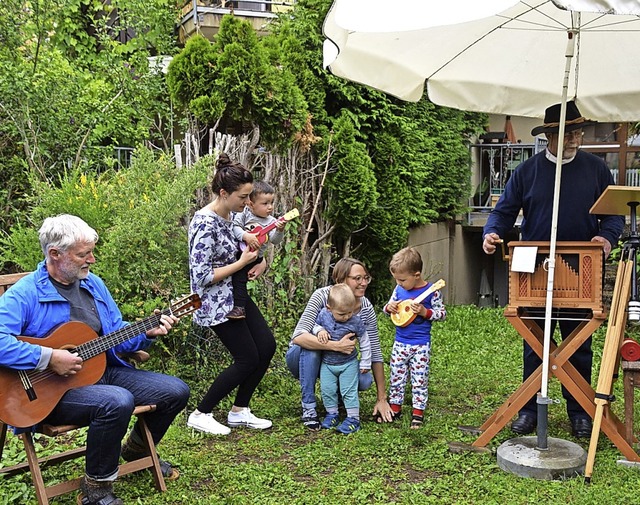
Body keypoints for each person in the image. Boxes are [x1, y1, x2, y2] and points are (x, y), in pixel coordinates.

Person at [0, 214, 190, 505]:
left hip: (100, 372)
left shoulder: (93, 285)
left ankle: (137, 451)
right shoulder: (24, 295)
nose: (92, 259)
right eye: (83, 254)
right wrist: (48, 357)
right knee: (116, 400)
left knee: (175, 391)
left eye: (91, 252)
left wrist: (145, 331)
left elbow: (115, 333)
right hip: (46, 392)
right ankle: (96, 490)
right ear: (54, 254)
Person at [482, 101, 624, 438]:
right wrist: (491, 233)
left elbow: (614, 216)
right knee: (535, 343)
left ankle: (579, 411)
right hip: (532, 266)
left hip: (579, 266)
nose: (575, 137)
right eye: (568, 132)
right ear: (549, 136)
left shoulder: (596, 169)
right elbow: (503, 212)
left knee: (580, 343)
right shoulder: (527, 171)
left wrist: (605, 239)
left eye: (578, 131)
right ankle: (529, 409)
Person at [187, 153, 276, 436]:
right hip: (215, 302)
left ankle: (239, 411)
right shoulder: (204, 223)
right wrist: (241, 264)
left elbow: (243, 248)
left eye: (250, 197)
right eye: (243, 197)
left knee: (266, 347)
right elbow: (201, 276)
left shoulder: (232, 217)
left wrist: (259, 262)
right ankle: (201, 413)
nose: (247, 203)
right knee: (247, 358)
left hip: (234, 296)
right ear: (224, 193)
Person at [285, 258, 394, 430]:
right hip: (300, 358)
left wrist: (382, 398)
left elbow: (375, 350)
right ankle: (309, 407)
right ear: (340, 280)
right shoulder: (322, 296)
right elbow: (298, 336)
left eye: (366, 278)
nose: (363, 283)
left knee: (364, 380)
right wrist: (334, 345)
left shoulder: (365, 307)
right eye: (357, 278)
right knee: (311, 348)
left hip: (337, 361)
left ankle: (337, 402)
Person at [383, 247, 446, 429]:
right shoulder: (399, 289)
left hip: (420, 345)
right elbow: (387, 307)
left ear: (416, 274)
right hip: (400, 342)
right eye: (397, 279)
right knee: (396, 375)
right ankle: (395, 407)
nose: (399, 283)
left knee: (419, 378)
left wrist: (425, 312)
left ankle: (418, 412)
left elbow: (442, 314)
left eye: (402, 280)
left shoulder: (432, 291)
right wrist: (391, 308)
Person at [313, 283, 371, 434]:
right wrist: (320, 330)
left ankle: (353, 419)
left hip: (348, 363)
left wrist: (365, 361)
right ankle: (332, 414)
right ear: (329, 308)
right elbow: (314, 325)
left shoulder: (355, 321)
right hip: (327, 363)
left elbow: (365, 340)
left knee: (348, 391)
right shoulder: (323, 315)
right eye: (341, 314)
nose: (346, 317)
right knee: (327, 390)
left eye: (349, 312)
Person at [228, 180, 286, 320]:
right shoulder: (245, 214)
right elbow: (234, 227)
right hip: (241, 252)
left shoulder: (271, 222)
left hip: (254, 258)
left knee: (239, 278)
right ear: (251, 204)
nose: (270, 207)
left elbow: (275, 240)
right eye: (265, 203)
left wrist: (280, 230)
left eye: (271, 203)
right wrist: (246, 236)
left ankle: (239, 308)